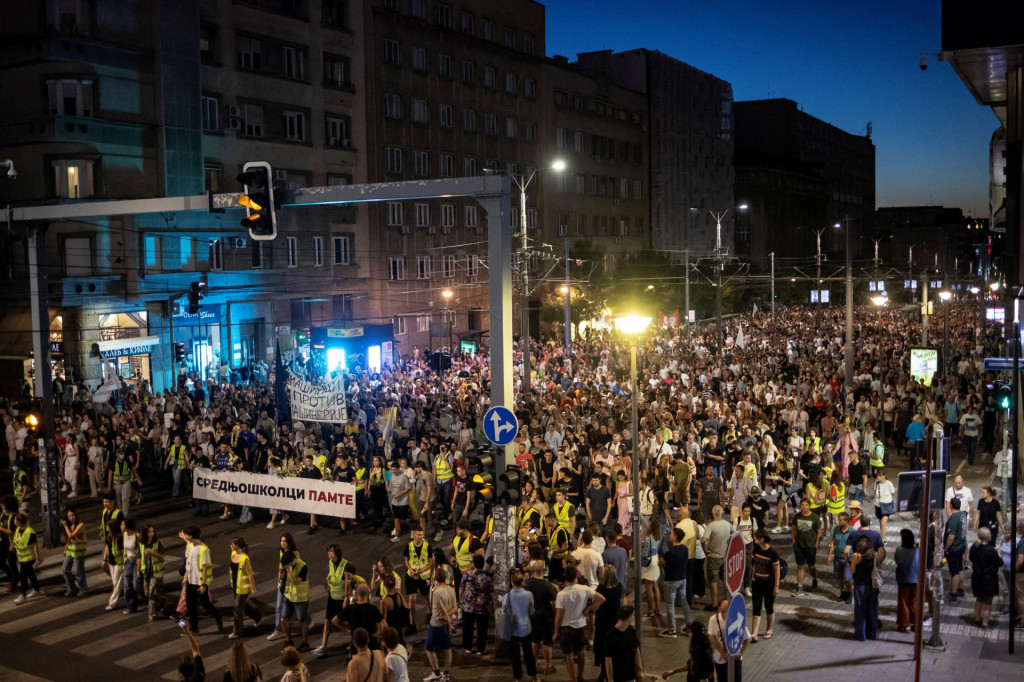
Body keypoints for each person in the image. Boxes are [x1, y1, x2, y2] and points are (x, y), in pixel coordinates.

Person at [554, 566, 605, 682]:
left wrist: (555, 632)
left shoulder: (561, 594)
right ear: (576, 576)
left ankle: (573, 679)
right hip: (580, 626)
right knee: (581, 653)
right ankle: (580, 676)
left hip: (566, 627)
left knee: (568, 655)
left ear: (565, 577)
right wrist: (588, 609)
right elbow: (601, 598)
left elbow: (559, 615)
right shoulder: (584, 589)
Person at [312, 544, 359, 657]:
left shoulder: (346, 565)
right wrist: (327, 579)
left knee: (348, 622)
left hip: (343, 599)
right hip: (332, 597)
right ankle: (323, 646)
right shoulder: (331, 562)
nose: (329, 553)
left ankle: (353, 639)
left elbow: (352, 580)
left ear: (337, 553)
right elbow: (332, 572)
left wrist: (348, 597)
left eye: (331, 551)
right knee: (327, 621)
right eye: (328, 551)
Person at [180, 525, 223, 633]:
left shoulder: (204, 549)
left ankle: (218, 617)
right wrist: (185, 577)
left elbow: (205, 568)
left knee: (206, 605)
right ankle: (194, 628)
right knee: (191, 606)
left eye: (186, 534)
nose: (185, 536)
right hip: (190, 581)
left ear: (191, 536)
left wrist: (203, 585)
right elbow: (188, 563)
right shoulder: (189, 546)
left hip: (200, 582)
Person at [503, 568, 538, 682]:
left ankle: (518, 678)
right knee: (529, 654)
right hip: (526, 627)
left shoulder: (507, 596)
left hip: (513, 629)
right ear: (522, 581)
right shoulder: (529, 594)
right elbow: (531, 611)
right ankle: (533, 677)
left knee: (515, 655)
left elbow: (504, 610)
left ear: (511, 582)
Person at [525, 560, 558, 676]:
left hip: (532, 616)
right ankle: (548, 666)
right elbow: (554, 603)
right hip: (546, 617)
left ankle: (533, 664)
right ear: (543, 571)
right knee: (547, 642)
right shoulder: (547, 585)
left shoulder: (527, 583)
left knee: (535, 640)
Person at [425, 567, 457, 682]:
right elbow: (455, 607)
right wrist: (448, 617)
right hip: (446, 625)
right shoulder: (451, 589)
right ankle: (446, 674)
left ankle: (436, 673)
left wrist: (445, 617)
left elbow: (440, 609)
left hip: (436, 624)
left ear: (435, 578)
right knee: (447, 648)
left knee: (429, 648)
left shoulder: (437, 592)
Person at [660, 526, 694, 638]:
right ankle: (689, 627)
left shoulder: (670, 551)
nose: (670, 535)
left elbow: (660, 562)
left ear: (675, 537)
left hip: (671, 580)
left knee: (670, 605)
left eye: (671, 534)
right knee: (684, 602)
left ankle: (672, 630)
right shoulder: (685, 549)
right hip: (682, 578)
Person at [707, 597, 751, 682]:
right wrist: (723, 653)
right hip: (720, 659)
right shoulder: (714, 619)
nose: (724, 614)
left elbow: (748, 638)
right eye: (722, 612)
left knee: (736, 679)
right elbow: (712, 638)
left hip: (735, 659)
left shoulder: (737, 619)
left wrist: (741, 652)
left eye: (726, 612)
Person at [593, 565, 623, 682]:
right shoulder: (619, 587)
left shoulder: (601, 588)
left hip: (602, 621)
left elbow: (596, 604)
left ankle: (604, 672)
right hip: (614, 620)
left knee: (602, 647)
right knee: (612, 646)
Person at [749, 531, 780, 641]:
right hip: (757, 582)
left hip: (769, 583)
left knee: (768, 606)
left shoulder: (772, 552)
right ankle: (754, 633)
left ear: (761, 539)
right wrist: (752, 577)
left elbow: (777, 570)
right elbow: (753, 564)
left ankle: (769, 629)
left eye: (756, 537)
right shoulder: (756, 549)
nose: (754, 539)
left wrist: (776, 586)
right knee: (756, 607)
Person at [459, 553, 492, 655]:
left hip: (468, 605)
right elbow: (491, 591)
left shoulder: (467, 574)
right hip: (481, 606)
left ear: (474, 563)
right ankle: (480, 648)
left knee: (467, 627)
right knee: (482, 628)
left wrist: (461, 601)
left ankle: (468, 647)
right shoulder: (487, 577)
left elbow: (461, 588)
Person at [229, 537, 262, 638]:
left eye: (232, 544)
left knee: (237, 610)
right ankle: (257, 616)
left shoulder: (244, 558)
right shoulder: (233, 554)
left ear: (237, 546)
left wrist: (253, 588)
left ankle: (237, 632)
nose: (230, 545)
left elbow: (250, 574)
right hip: (235, 585)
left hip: (243, 587)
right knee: (242, 605)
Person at [968, 527, 1001, 628]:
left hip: (976, 578)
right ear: (987, 537)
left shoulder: (974, 547)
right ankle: (985, 623)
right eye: (990, 534)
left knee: (979, 599)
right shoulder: (991, 550)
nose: (991, 536)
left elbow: (971, 558)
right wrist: (999, 555)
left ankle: (977, 620)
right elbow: (999, 563)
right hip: (989, 580)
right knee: (987, 602)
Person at [280, 550, 311, 651]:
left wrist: (288, 571)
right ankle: (288, 640)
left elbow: (296, 582)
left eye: (289, 564)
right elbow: (282, 579)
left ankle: (305, 643)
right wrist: (282, 572)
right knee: (283, 619)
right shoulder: (288, 565)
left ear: (293, 560)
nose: (288, 566)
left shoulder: (303, 566)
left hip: (300, 598)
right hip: (289, 596)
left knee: (302, 621)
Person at [404, 528, 433, 634]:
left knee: (427, 596)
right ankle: (412, 624)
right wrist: (410, 569)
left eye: (422, 534)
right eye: (418, 534)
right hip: (411, 577)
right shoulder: (408, 546)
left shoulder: (427, 546)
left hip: (424, 576)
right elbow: (406, 560)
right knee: (412, 599)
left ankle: (430, 612)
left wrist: (422, 570)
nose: (421, 537)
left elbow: (430, 561)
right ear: (414, 535)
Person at [701, 505, 731, 609]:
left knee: (713, 580)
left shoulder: (711, 526)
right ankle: (726, 600)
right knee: (725, 580)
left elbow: (703, 540)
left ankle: (714, 603)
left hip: (714, 556)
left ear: (713, 514)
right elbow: (735, 535)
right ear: (722, 513)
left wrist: (705, 550)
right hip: (725, 556)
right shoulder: (727, 524)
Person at [849, 536, 879, 641]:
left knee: (860, 610)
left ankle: (861, 635)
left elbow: (852, 570)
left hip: (860, 585)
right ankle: (872, 634)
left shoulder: (856, 556)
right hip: (872, 585)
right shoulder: (874, 555)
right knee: (872, 610)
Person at [790, 499, 822, 596]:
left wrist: (816, 543)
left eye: (806, 505)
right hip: (799, 545)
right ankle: (800, 587)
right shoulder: (797, 516)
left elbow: (819, 531)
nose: (804, 507)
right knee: (800, 565)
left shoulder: (814, 517)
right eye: (802, 505)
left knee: (811, 566)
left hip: (810, 545)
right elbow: (793, 529)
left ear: (809, 506)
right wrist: (794, 541)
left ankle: (814, 578)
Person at [603, 604, 642, 682]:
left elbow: (636, 651)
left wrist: (639, 669)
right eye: (632, 616)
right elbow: (608, 660)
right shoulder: (610, 634)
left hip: (630, 676)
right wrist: (610, 680)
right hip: (616, 677)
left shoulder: (631, 630)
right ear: (629, 617)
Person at [12, 513, 41, 604]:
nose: (14, 521)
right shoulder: (18, 529)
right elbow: (17, 541)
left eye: (15, 519)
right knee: (31, 574)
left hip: (29, 558)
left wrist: (37, 558)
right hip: (22, 558)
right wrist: (13, 546)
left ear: (18, 521)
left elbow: (35, 546)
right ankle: (36, 590)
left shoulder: (30, 532)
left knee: (22, 576)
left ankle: (22, 594)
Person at [944, 497, 969, 605]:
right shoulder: (963, 514)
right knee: (960, 568)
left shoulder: (953, 518)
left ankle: (953, 595)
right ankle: (961, 590)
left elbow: (951, 537)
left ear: (951, 505)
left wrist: (946, 548)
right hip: (962, 546)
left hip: (954, 548)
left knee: (954, 572)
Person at [894, 528, 918, 633]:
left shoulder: (900, 551)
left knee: (903, 602)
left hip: (903, 580)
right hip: (916, 579)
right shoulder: (918, 550)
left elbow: (897, 561)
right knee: (914, 602)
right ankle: (915, 623)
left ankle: (904, 625)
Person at [61, 508, 88, 597]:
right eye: (69, 516)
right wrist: (66, 548)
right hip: (70, 551)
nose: (71, 517)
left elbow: (71, 536)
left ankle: (83, 589)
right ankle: (71, 588)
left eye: (73, 515)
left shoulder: (80, 525)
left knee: (78, 572)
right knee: (65, 569)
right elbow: (69, 540)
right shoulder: (70, 526)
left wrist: (65, 526)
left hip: (78, 552)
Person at [142, 524, 167, 621]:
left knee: (152, 593)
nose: (151, 533)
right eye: (149, 532)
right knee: (147, 593)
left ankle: (152, 614)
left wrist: (153, 553)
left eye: (152, 531)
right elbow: (140, 557)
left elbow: (163, 557)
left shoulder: (158, 543)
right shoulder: (142, 544)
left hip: (156, 572)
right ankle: (162, 600)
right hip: (146, 572)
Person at [826, 512, 852, 604]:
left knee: (848, 578)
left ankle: (849, 593)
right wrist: (829, 555)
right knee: (839, 577)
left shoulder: (853, 532)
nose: (838, 522)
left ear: (846, 521)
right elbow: (833, 542)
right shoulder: (837, 529)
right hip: (838, 557)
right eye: (838, 519)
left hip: (848, 559)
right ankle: (842, 593)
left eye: (840, 520)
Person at [121, 517, 142, 614]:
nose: (121, 526)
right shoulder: (124, 534)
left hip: (136, 561)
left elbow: (141, 552)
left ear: (127, 526)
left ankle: (153, 599)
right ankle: (131, 608)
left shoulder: (137, 535)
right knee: (127, 586)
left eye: (122, 524)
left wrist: (138, 569)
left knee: (136, 585)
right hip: (128, 562)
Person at [871, 469, 895, 540]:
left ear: (884, 476)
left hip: (886, 505)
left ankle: (883, 539)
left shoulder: (889, 484)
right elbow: (875, 492)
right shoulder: (876, 483)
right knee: (880, 523)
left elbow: (892, 492)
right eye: (877, 476)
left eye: (880, 476)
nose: (878, 477)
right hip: (878, 505)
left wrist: (887, 499)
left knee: (883, 523)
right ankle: (882, 536)